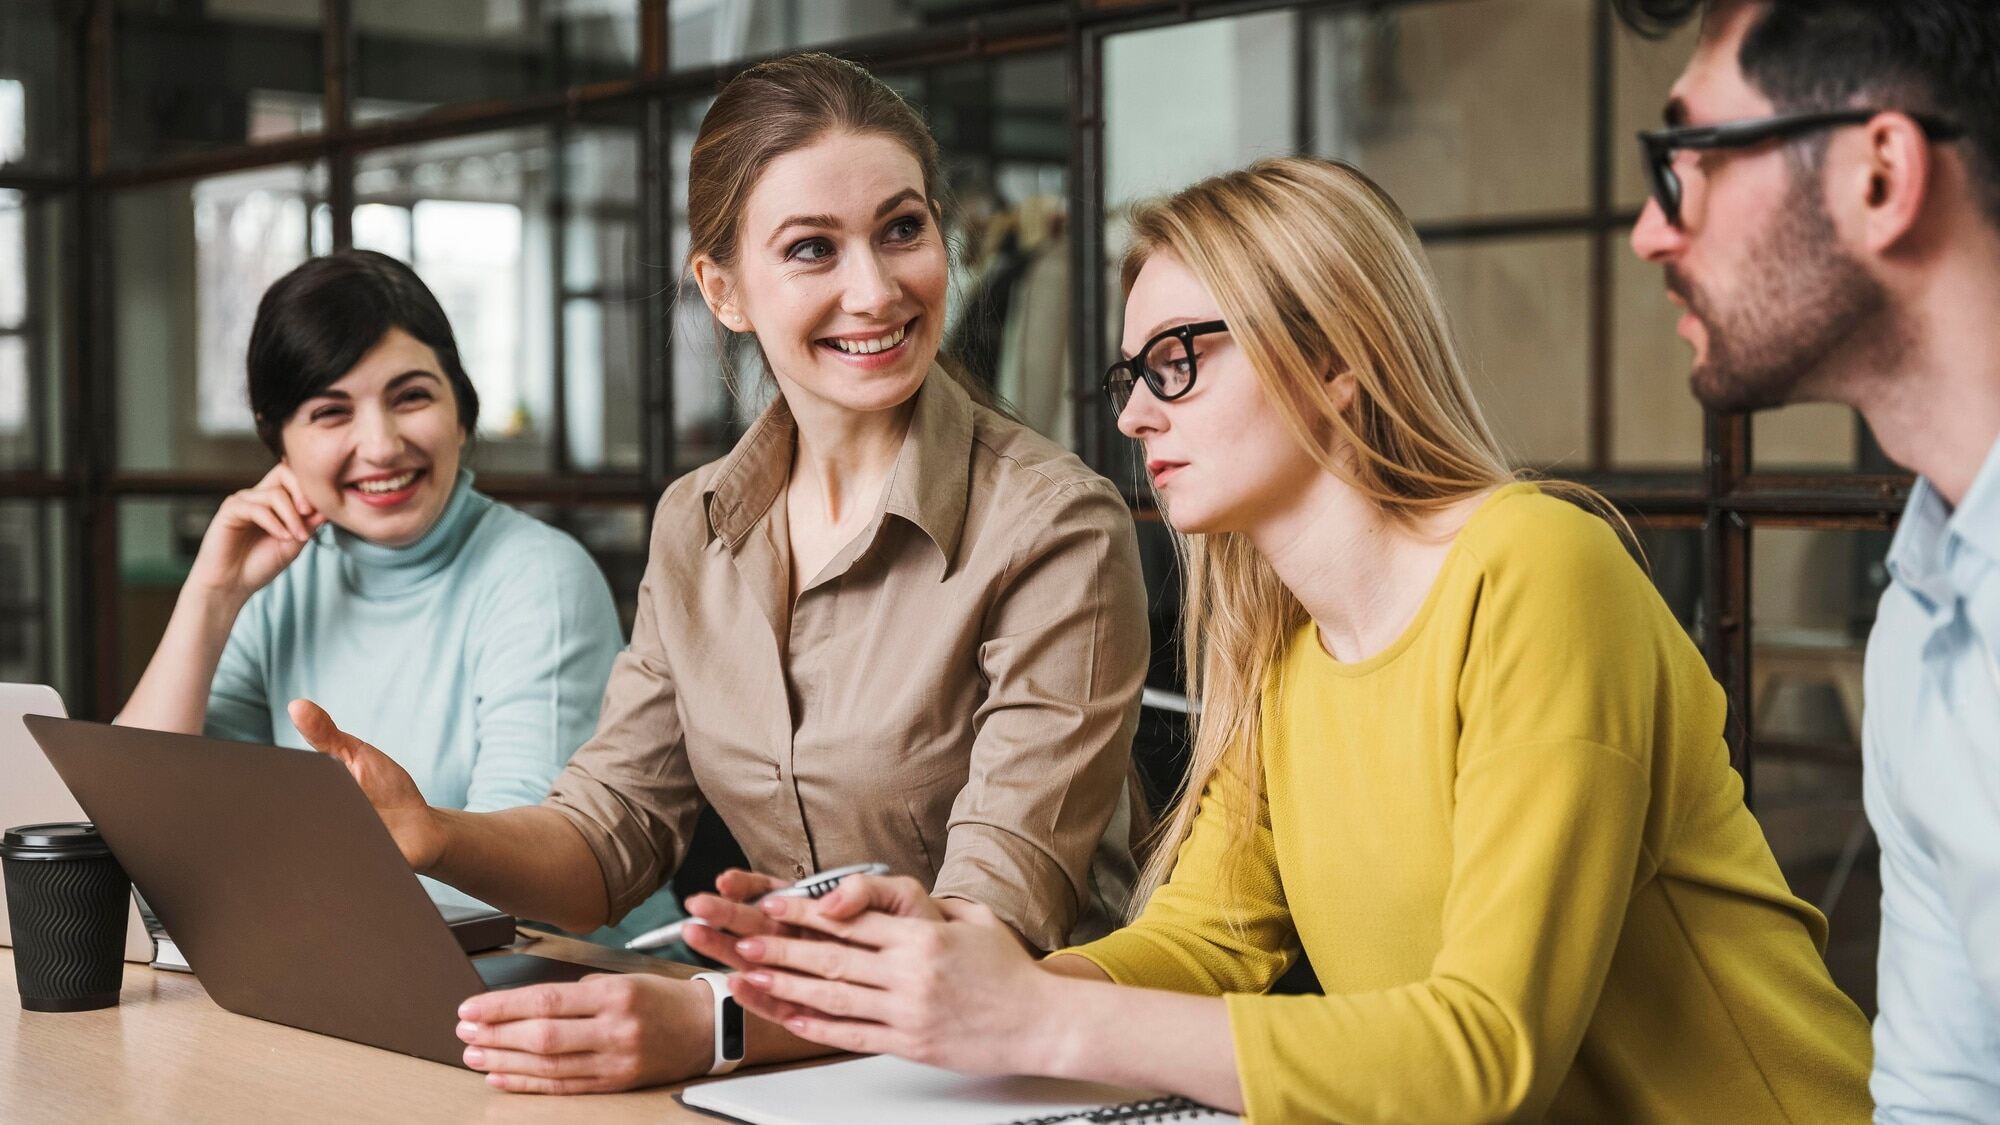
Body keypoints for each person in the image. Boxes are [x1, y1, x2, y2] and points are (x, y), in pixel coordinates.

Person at [718, 156, 1875, 1122]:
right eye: (1132, 373)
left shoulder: (1535, 571)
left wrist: (1034, 1013)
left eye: (1176, 359)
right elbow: (1203, 946)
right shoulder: (1283, 652)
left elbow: (1486, 1056)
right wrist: (955, 980)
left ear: (1333, 359)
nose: (1131, 413)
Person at [294, 52, 1149, 1093]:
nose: (874, 289)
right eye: (810, 249)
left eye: (901, 229)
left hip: (1043, 1082)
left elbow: (984, 932)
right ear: (724, 290)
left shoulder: (1053, 524)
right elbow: (607, 841)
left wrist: (716, 1023)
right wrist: (426, 832)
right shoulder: (694, 527)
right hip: (816, 1072)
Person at [1617, 1, 2000, 1116]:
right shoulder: (1925, 624)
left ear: (1878, 173)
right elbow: (1943, 1094)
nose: (1649, 229)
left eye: (1688, 157)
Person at [113, 250, 677, 943]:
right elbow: (133, 832)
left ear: (461, 412)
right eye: (331, 412)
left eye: (412, 396)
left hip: (574, 979)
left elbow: (517, 896)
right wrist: (212, 596)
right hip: (352, 963)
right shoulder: (273, 582)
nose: (380, 445)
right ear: (277, 440)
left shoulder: (539, 578)